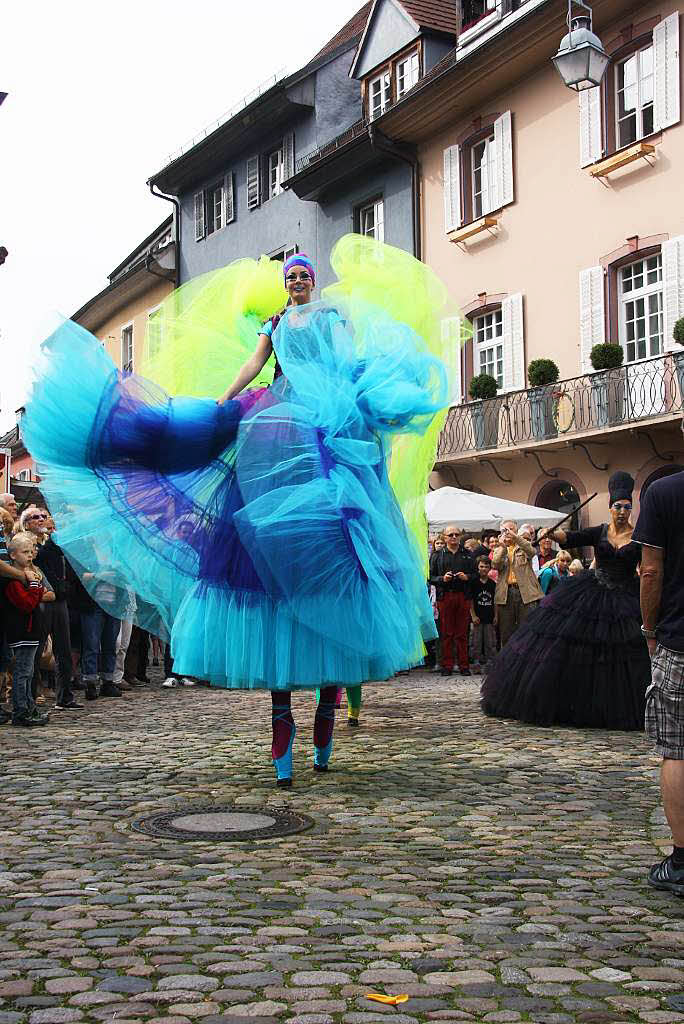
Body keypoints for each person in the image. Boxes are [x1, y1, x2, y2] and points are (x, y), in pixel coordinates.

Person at [23, 237, 449, 786]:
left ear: (312, 282)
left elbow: (342, 365)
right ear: (285, 285)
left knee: (337, 526)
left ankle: (325, 715)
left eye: (302, 276)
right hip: (276, 420)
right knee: (249, 514)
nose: (296, 283)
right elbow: (256, 362)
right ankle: (285, 729)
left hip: (321, 424)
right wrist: (225, 398)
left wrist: (353, 407)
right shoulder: (274, 324)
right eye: (290, 278)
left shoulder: (331, 318)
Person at [481, 472, 650, 730]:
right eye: (618, 506)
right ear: (610, 507)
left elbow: (647, 565)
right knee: (575, 648)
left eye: (627, 506)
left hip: (627, 596)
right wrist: (552, 534)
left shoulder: (638, 537)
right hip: (594, 590)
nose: (622, 511)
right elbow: (572, 538)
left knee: (624, 654)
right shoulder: (600, 531)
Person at [632, 466, 684, 894]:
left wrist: (650, 630)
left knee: (678, 750)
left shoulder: (664, 493)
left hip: (680, 640)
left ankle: (682, 860)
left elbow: (650, 570)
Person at [1, 534, 53, 727]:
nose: (30, 556)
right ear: (13, 555)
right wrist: (34, 586)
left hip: (31, 633)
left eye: (31, 552)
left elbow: (44, 594)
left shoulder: (28, 576)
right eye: (25, 552)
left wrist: (35, 586)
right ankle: (20, 710)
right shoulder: (14, 581)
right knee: (22, 673)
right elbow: (27, 603)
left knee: (29, 672)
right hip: (22, 633)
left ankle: (29, 707)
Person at [33, 518, 82, 711]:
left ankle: (65, 696)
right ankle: (31, 696)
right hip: (46, 600)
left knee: (64, 650)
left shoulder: (63, 550)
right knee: (37, 651)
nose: (53, 531)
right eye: (51, 528)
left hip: (61, 600)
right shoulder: (41, 548)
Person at [429, 525, 477, 676]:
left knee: (462, 633)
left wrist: (467, 577)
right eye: (451, 535)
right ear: (445, 537)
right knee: (447, 633)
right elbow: (430, 577)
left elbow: (476, 575)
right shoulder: (437, 555)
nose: (454, 537)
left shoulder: (468, 554)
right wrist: (442, 579)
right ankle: (447, 665)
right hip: (446, 596)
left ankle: (464, 665)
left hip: (463, 596)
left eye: (456, 534)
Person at [491, 520, 543, 647]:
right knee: (506, 633)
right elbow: (495, 565)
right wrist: (503, 547)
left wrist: (516, 538)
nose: (508, 533)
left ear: (516, 531)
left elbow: (532, 552)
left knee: (528, 630)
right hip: (506, 594)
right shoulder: (499, 549)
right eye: (504, 530)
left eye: (511, 530)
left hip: (526, 594)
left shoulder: (523, 545)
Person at [470, 557, 497, 672]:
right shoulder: (474, 583)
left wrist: (496, 616)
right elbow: (470, 600)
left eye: (486, 566)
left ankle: (489, 662)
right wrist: (473, 615)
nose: (484, 569)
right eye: (481, 566)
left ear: (490, 568)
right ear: (477, 567)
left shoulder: (492, 584)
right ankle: (475, 662)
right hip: (477, 617)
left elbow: (495, 601)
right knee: (476, 640)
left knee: (490, 641)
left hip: (489, 616)